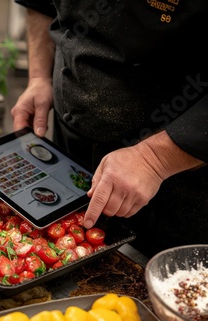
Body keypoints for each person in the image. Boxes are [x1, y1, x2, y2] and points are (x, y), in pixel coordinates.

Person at [11, 0, 208, 256]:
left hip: (178, 169)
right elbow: (38, 2)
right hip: (71, 136)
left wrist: (154, 160)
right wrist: (39, 76)